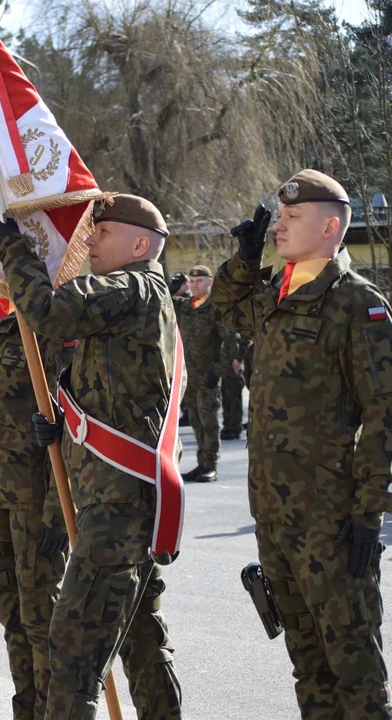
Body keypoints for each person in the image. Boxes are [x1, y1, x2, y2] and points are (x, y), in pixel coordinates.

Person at [0, 195, 184, 720]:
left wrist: (13, 249)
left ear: (140, 245)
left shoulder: (134, 286)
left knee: (73, 651)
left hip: (118, 508)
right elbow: (117, 396)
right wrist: (67, 426)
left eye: (102, 232)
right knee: (141, 642)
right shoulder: (138, 298)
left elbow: (50, 313)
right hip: (123, 499)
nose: (89, 240)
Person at [213, 169, 392, 719]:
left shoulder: (356, 303)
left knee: (354, 666)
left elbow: (384, 415)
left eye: (292, 219)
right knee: (307, 663)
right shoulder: (274, 294)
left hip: (330, 519)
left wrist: (368, 515)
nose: (279, 227)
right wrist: (243, 259)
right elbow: (222, 308)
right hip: (273, 513)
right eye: (279, 218)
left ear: (330, 228)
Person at [0, 311, 69, 720]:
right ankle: (26, 710)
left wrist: (62, 507)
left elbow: (74, 419)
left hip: (35, 500)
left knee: (42, 622)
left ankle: (52, 713)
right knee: (12, 620)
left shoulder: (43, 326)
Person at [172, 264, 239, 482]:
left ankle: (210, 465)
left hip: (207, 376)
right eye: (191, 281)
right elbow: (163, 305)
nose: (194, 285)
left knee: (209, 422)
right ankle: (201, 463)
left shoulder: (215, 308)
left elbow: (231, 341)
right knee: (195, 420)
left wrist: (218, 370)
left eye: (199, 281)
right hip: (188, 375)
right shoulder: (186, 306)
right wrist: (172, 290)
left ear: (209, 282)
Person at [220, 337, 247, 440]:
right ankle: (228, 425)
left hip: (235, 359)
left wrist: (240, 358)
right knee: (226, 395)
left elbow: (246, 336)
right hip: (225, 361)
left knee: (234, 394)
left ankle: (235, 426)